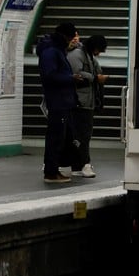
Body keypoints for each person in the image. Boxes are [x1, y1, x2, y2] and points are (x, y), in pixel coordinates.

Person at [35, 22, 77, 184]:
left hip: (61, 100)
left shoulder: (55, 49)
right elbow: (49, 76)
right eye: (71, 37)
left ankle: (54, 169)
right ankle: (51, 172)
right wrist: (71, 78)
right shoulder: (52, 51)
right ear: (66, 36)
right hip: (58, 100)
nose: (72, 41)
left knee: (59, 136)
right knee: (55, 137)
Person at [66, 34, 108, 178]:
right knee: (83, 135)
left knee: (83, 134)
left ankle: (77, 165)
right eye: (99, 50)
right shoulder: (77, 55)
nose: (99, 53)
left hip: (87, 101)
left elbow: (97, 70)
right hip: (80, 101)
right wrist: (94, 78)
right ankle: (84, 164)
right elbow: (76, 74)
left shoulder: (88, 56)